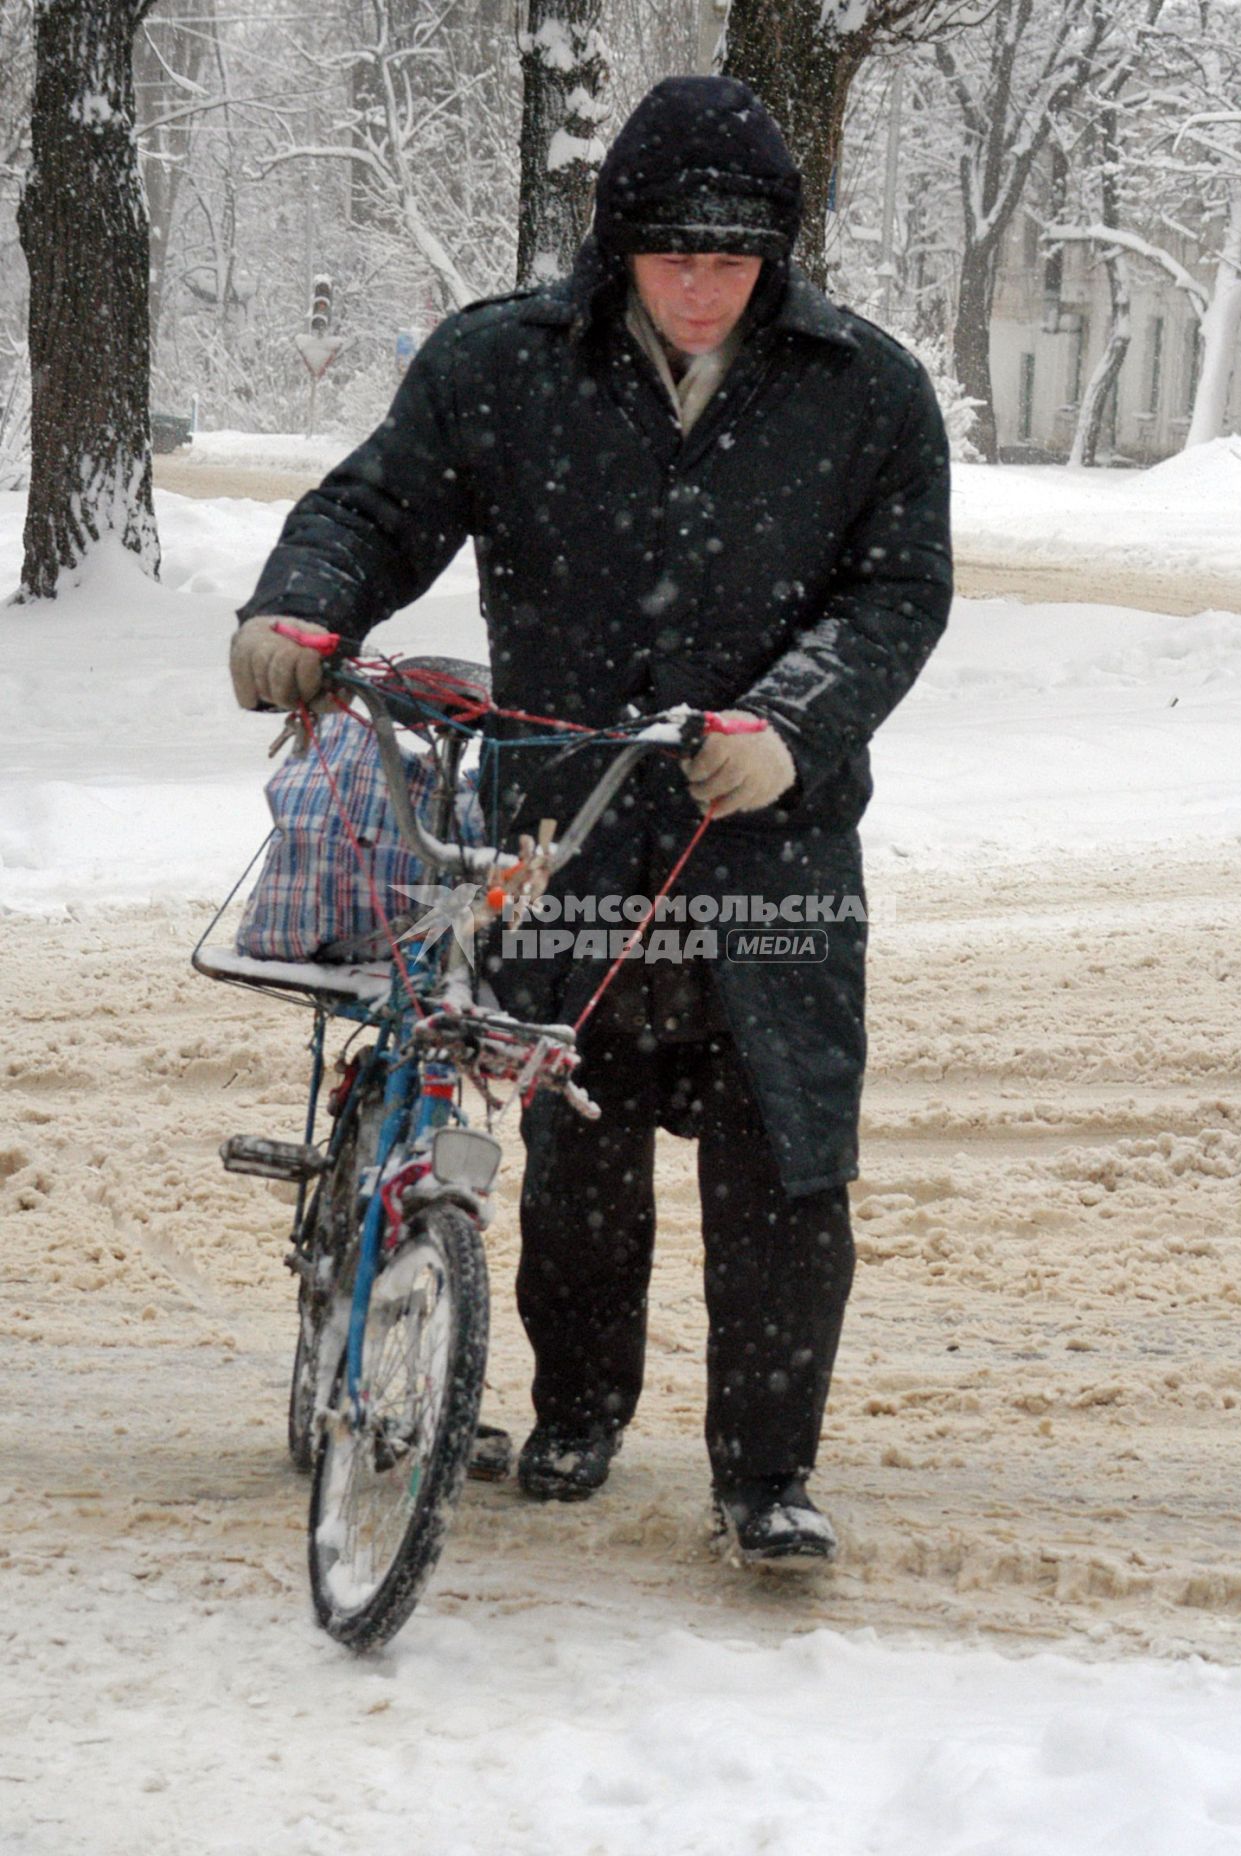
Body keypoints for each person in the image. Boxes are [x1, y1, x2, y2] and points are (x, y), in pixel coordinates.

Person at [231, 75, 952, 1564]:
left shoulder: (861, 389)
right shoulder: (504, 366)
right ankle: (577, 1414)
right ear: (616, 243)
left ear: (779, 252)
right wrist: (302, 606)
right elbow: (375, 510)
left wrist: (795, 728)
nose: (701, 282)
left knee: (785, 1162)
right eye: (672, 250)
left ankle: (764, 1475)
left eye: (734, 253)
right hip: (572, 834)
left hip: (771, 849)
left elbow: (899, 589)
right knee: (578, 1145)